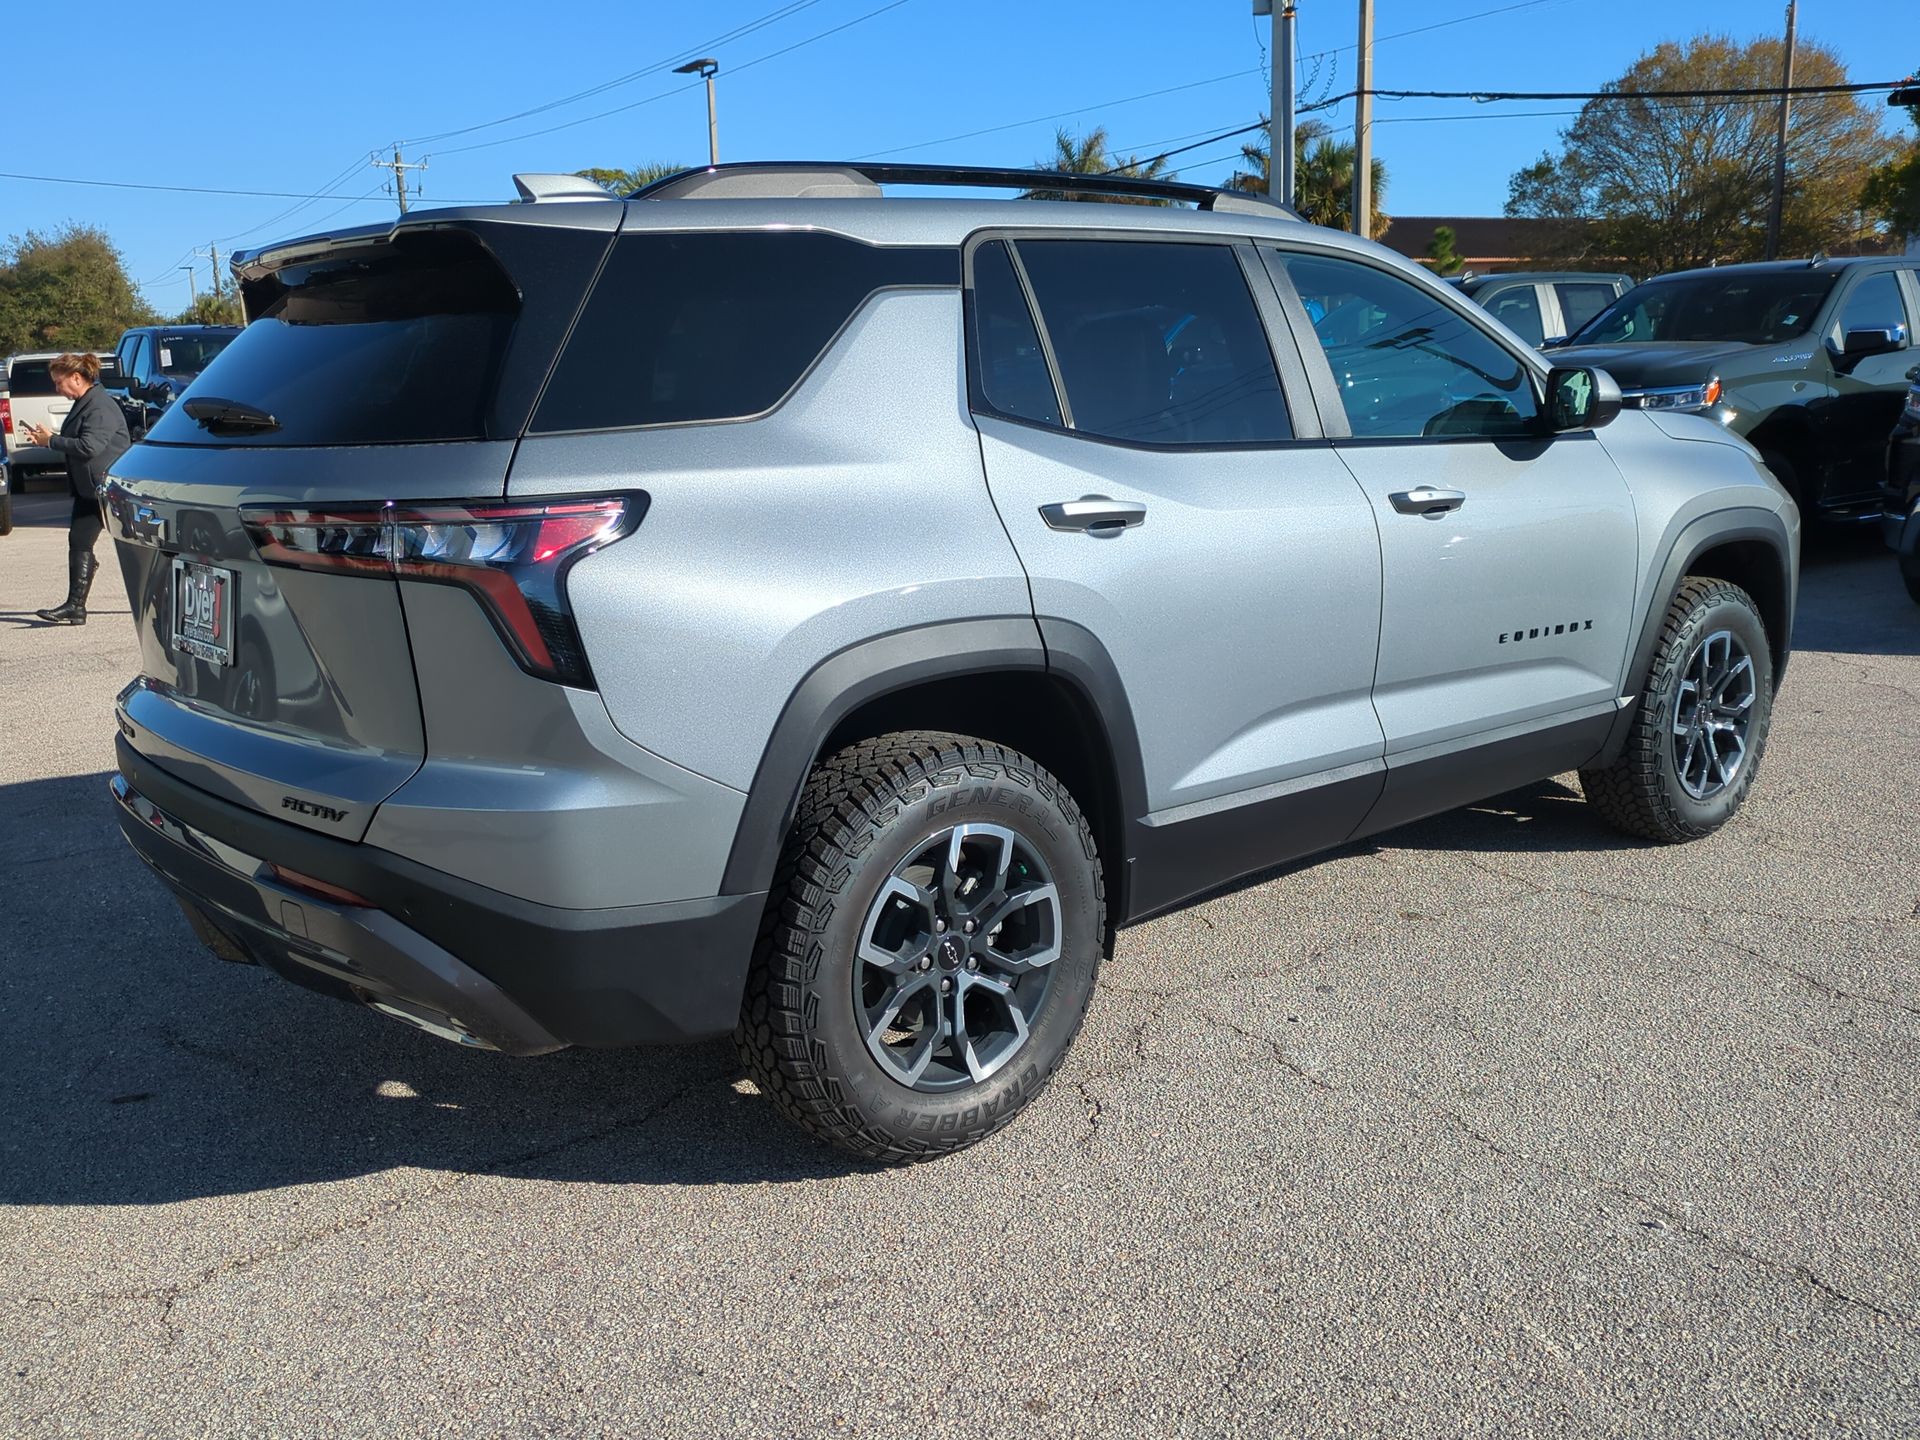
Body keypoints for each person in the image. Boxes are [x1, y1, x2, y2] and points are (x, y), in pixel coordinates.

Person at [20, 352, 130, 625]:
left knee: (137, 550)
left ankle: (161, 602)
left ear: (77, 378)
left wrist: (52, 441)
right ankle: (75, 606)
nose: (57, 388)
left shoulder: (99, 405)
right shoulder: (86, 402)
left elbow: (89, 447)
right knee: (79, 542)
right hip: (89, 490)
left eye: (59, 382)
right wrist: (45, 439)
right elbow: (79, 441)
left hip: (108, 490)